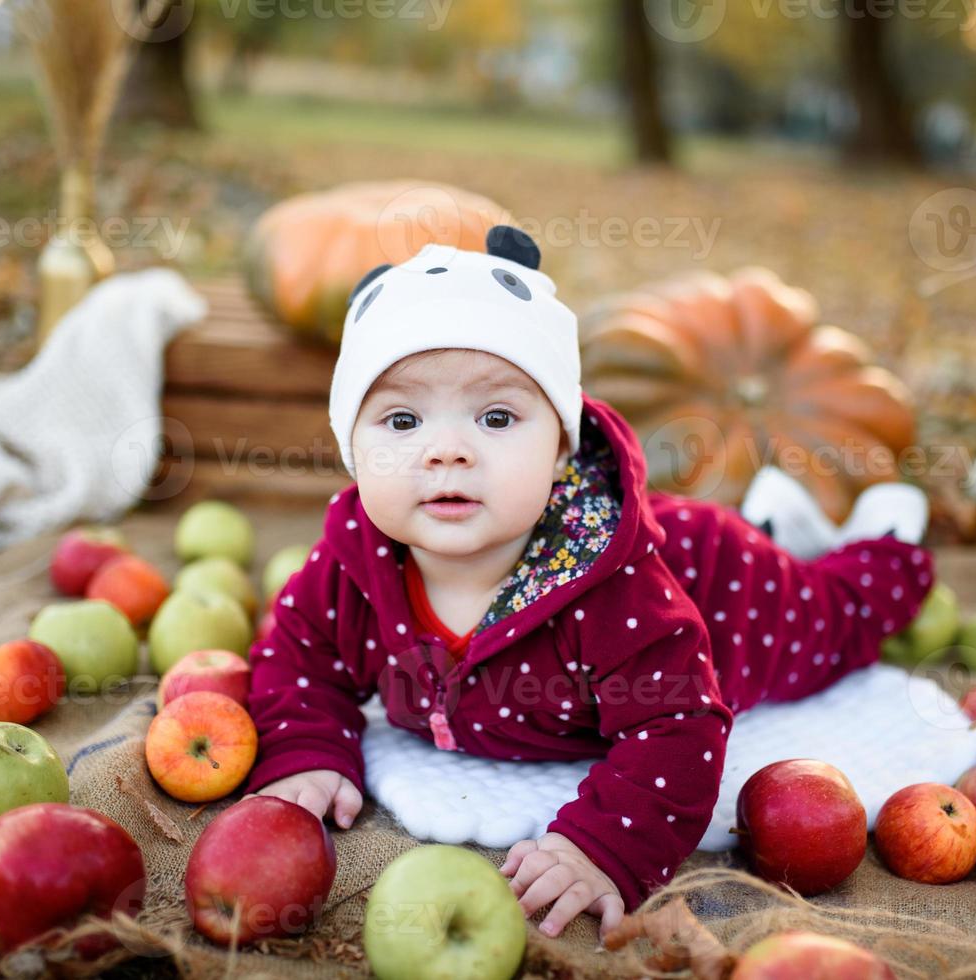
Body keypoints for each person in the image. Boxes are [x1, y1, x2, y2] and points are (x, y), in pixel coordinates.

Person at [240, 226, 934, 941]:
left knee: (836, 619)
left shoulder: (616, 594)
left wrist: (603, 845)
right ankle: (783, 515)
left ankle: (883, 544)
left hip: (719, 584)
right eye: (403, 419)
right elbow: (297, 663)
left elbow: (678, 727)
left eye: (498, 417)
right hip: (676, 546)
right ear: (352, 448)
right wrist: (307, 748)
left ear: (561, 443)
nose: (446, 450)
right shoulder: (349, 569)